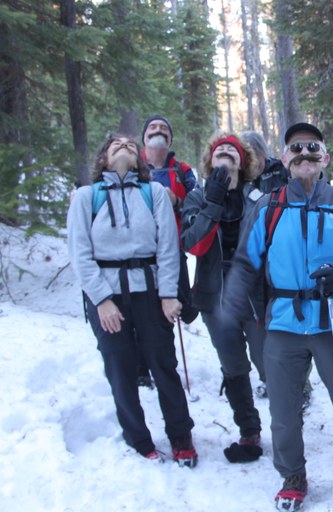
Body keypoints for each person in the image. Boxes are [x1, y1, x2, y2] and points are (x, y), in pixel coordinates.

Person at [224, 122, 333, 510]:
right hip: (282, 323)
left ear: (325, 158)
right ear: (285, 158)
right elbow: (247, 262)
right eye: (296, 148)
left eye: (313, 149)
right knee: (283, 408)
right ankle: (292, 476)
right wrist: (232, 308)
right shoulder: (269, 206)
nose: (304, 154)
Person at [67, 132, 198, 466]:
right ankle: (138, 437)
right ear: (104, 159)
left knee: (163, 365)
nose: (123, 147)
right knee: (119, 368)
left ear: (139, 159)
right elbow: (80, 254)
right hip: (107, 296)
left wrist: (168, 295)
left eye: (128, 145)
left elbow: (168, 247)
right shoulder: (86, 197)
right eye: (115, 145)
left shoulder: (152, 192)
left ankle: (181, 435)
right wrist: (101, 300)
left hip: (150, 293)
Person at [180, 131, 264, 463]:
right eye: (219, 149)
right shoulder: (197, 199)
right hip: (216, 299)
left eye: (233, 149)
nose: (226, 150)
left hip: (256, 295)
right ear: (209, 161)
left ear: (244, 162)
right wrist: (213, 200)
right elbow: (194, 244)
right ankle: (249, 430)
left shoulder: (259, 198)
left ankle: (290, 420)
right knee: (234, 366)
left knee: (270, 362)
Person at [240, 130, 313, 406]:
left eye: (253, 153)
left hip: (285, 262)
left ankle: (301, 386)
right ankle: (273, 379)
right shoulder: (241, 182)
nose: (250, 160)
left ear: (261, 152)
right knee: (264, 330)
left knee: (293, 326)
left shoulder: (280, 172)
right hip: (256, 265)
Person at [137, 114, 198, 388]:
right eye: (153, 127)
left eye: (164, 128)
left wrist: (176, 201)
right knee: (144, 312)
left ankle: (162, 365)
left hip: (173, 250)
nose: (158, 130)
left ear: (170, 139)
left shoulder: (182, 170)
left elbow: (197, 205)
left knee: (182, 306)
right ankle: (145, 369)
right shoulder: (132, 165)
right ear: (144, 137)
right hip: (139, 254)